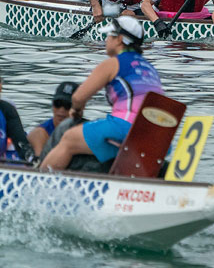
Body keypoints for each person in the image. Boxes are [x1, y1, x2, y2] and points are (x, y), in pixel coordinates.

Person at [40, 16, 164, 171]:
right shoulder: (150, 68)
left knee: (69, 139)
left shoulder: (113, 63)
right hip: (157, 136)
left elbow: (78, 97)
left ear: (119, 39)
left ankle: (38, 180)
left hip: (126, 129)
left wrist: (76, 111)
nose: (106, 40)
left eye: (109, 36)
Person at [0, 63, 34, 161]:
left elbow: (22, 145)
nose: (1, 88)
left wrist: (32, 159)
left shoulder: (6, 109)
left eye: (0, 81)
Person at [27, 81, 79, 158]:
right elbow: (40, 164)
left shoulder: (84, 130)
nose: (61, 110)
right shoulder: (40, 134)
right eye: (58, 104)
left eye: (67, 105)